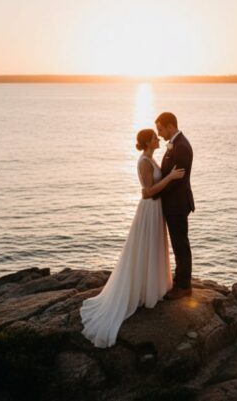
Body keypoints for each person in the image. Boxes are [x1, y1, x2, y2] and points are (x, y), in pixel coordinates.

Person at [79, 129, 185, 348]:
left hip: (156, 210)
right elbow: (147, 192)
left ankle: (150, 286)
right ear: (148, 141)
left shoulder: (151, 159)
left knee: (152, 248)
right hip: (149, 209)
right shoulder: (145, 162)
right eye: (155, 138)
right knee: (144, 248)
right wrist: (171, 178)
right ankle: (142, 289)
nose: (158, 139)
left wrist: (168, 177)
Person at [154, 112, 195, 300]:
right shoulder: (175, 144)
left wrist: (155, 192)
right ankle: (180, 280)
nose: (160, 134)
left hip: (177, 203)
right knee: (178, 243)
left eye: (160, 129)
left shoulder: (182, 147)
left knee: (180, 244)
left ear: (170, 126)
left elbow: (177, 180)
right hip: (173, 202)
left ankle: (184, 286)